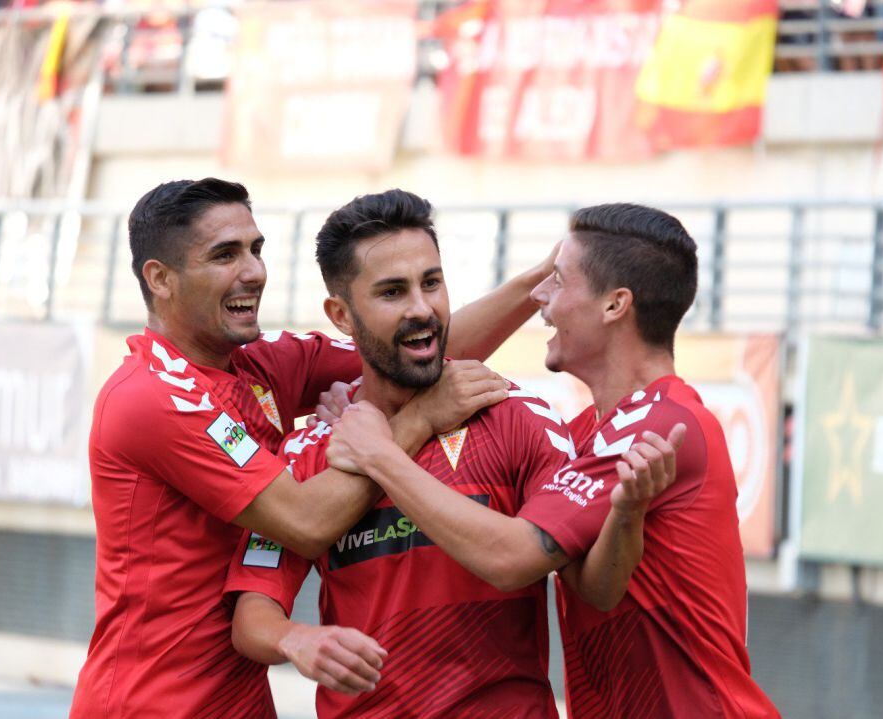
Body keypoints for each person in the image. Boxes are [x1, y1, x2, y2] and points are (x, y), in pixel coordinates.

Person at [68, 178, 556, 719]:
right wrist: (418, 419)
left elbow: (409, 347)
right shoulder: (151, 395)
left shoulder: (262, 363)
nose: (253, 271)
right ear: (160, 279)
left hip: (239, 695)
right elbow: (303, 520)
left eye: (256, 249)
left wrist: (542, 281)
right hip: (152, 701)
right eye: (225, 254)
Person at [224, 189, 677, 718]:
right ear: (342, 316)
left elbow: (586, 584)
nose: (422, 309)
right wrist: (297, 639)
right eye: (393, 292)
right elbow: (253, 614)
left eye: (431, 283)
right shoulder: (311, 448)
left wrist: (627, 514)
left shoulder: (519, 416)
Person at [330, 203, 779, 717]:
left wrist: (381, 453)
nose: (541, 298)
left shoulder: (658, 424)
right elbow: (593, 588)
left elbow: (512, 559)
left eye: (558, 282)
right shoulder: (591, 433)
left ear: (614, 306)